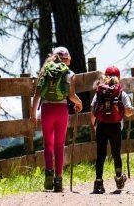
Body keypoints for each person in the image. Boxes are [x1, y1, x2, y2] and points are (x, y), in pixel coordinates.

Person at [30, 47, 82, 192]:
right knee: (59, 145)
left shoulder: (45, 70)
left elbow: (37, 94)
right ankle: (58, 180)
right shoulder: (69, 74)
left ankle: (48, 175)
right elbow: (71, 96)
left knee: (48, 144)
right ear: (67, 59)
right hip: (61, 110)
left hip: (46, 110)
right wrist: (80, 103)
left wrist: (33, 114)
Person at [90, 66, 134, 194]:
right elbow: (127, 111)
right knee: (116, 154)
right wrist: (131, 112)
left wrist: (94, 127)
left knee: (100, 155)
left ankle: (98, 182)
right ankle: (119, 179)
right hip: (115, 126)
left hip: (101, 126)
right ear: (118, 78)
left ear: (105, 77)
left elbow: (93, 111)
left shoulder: (99, 92)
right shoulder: (121, 92)